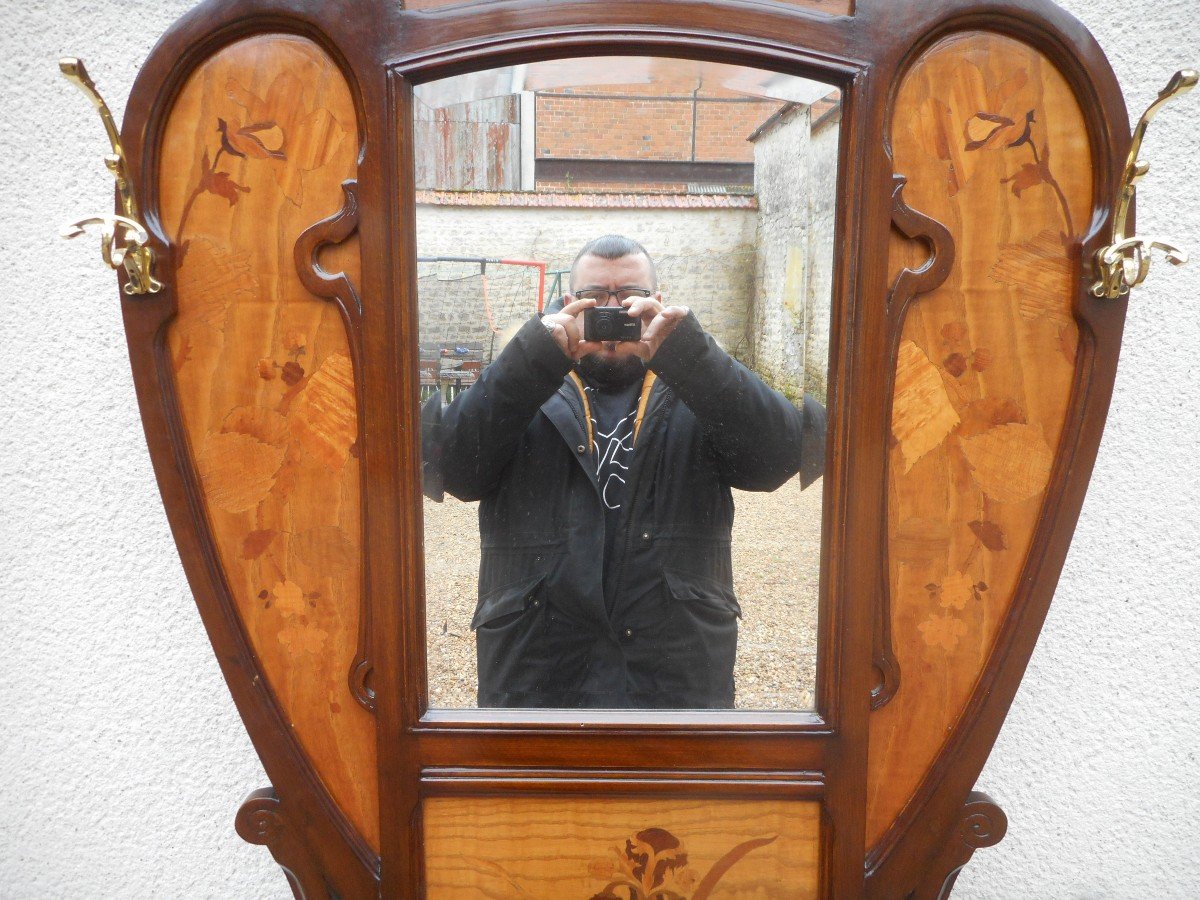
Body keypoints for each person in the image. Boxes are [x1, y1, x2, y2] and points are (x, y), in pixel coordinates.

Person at [422, 235, 825, 709]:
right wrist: (534, 357)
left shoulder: (698, 385)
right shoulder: (526, 382)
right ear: (569, 303)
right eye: (596, 298)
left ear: (658, 299)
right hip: (538, 674)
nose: (615, 313)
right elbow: (452, 468)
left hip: (675, 678)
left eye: (630, 297)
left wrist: (693, 355)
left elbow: (777, 456)